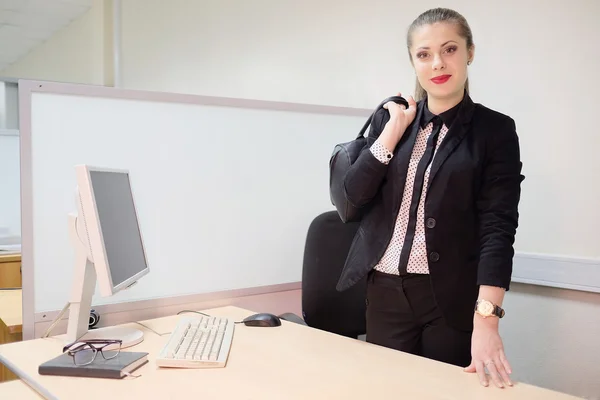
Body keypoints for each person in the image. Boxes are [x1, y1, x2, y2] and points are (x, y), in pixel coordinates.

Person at [334, 7, 524, 389]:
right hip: (384, 290)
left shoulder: (495, 130)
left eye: (450, 49)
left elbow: (497, 227)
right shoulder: (393, 121)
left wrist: (487, 319)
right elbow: (352, 201)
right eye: (424, 54)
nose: (437, 62)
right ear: (413, 62)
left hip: (449, 297)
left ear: (470, 52)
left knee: (442, 392)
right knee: (386, 390)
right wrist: (390, 133)